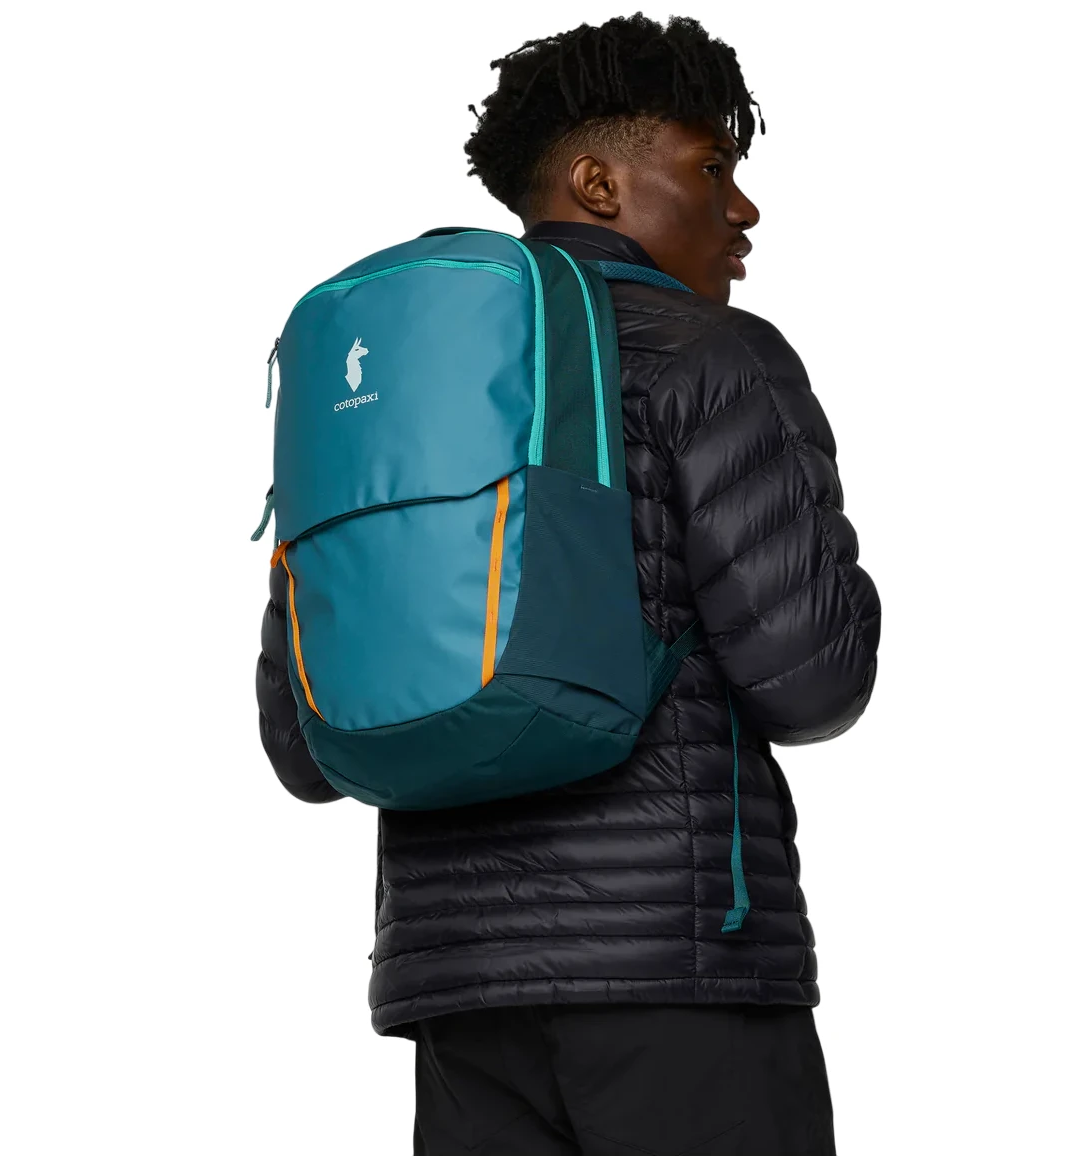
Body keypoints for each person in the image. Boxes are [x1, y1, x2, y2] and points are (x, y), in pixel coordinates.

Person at [257, 13, 880, 1156]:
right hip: (677, 967)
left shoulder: (400, 382)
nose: (742, 208)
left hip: (456, 992)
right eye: (712, 167)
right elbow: (812, 681)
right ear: (597, 182)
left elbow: (304, 745)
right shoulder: (708, 353)